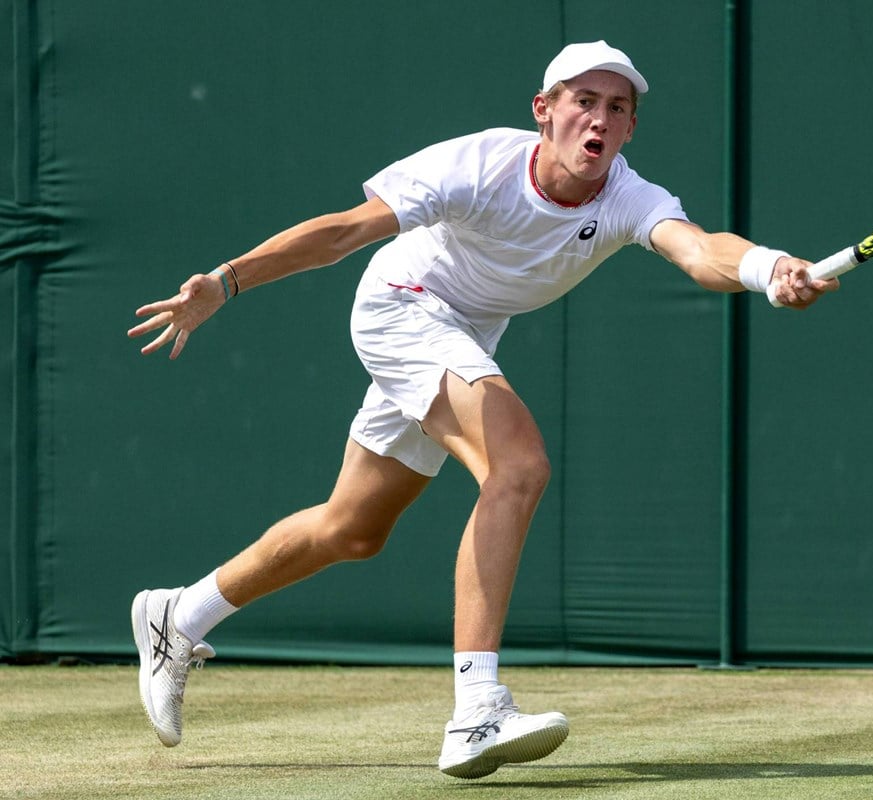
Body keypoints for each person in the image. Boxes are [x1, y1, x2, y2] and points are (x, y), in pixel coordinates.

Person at [127, 40, 837, 780]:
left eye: (617, 108)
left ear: (629, 129)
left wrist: (767, 268)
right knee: (518, 467)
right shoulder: (479, 166)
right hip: (401, 308)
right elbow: (343, 232)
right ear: (545, 111)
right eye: (583, 102)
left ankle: (180, 615)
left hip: (462, 333)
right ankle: (475, 712)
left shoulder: (629, 197)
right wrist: (226, 280)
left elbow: (698, 249)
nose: (599, 120)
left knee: (352, 528)